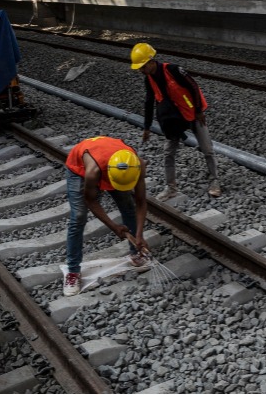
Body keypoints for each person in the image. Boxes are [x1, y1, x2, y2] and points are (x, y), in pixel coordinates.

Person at [130, 42, 222, 199]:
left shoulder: (173, 70)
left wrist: (199, 110)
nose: (141, 70)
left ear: (151, 61)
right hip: (175, 119)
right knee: (168, 153)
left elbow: (193, 86)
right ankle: (171, 188)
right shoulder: (149, 79)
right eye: (139, 68)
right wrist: (147, 127)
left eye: (143, 67)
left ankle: (215, 181)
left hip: (193, 114)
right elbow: (149, 102)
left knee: (207, 148)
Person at [63, 135, 150, 297]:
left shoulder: (137, 165)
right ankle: (73, 272)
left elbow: (140, 202)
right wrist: (114, 226)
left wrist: (138, 234)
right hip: (79, 168)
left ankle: (135, 252)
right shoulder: (92, 171)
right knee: (79, 217)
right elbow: (91, 201)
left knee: (128, 206)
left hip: (109, 160)